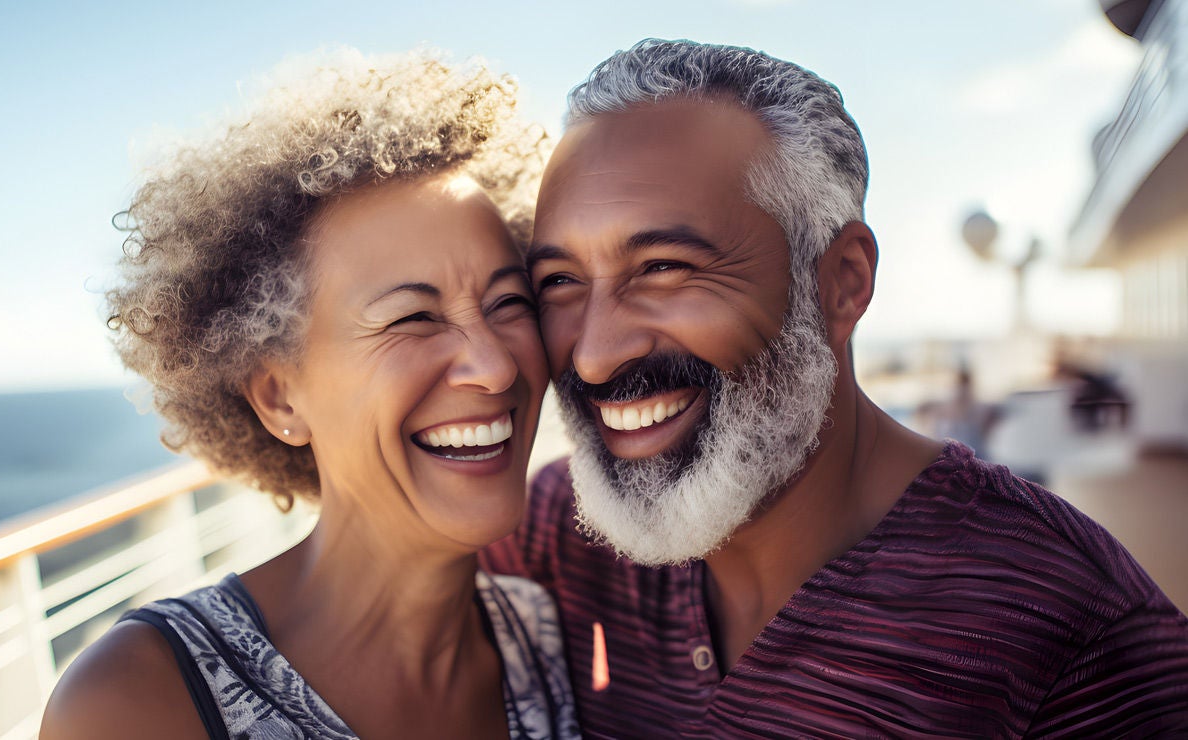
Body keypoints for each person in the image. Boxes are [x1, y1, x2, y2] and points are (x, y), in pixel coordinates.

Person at [482, 39, 1188, 737]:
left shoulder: (1073, 632)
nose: (598, 355)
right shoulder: (559, 537)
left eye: (665, 267)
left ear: (842, 282)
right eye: (560, 282)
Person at [41, 50, 580, 740]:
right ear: (278, 397)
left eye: (510, 302)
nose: (495, 367)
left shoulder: (548, 639)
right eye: (412, 318)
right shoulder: (140, 701)